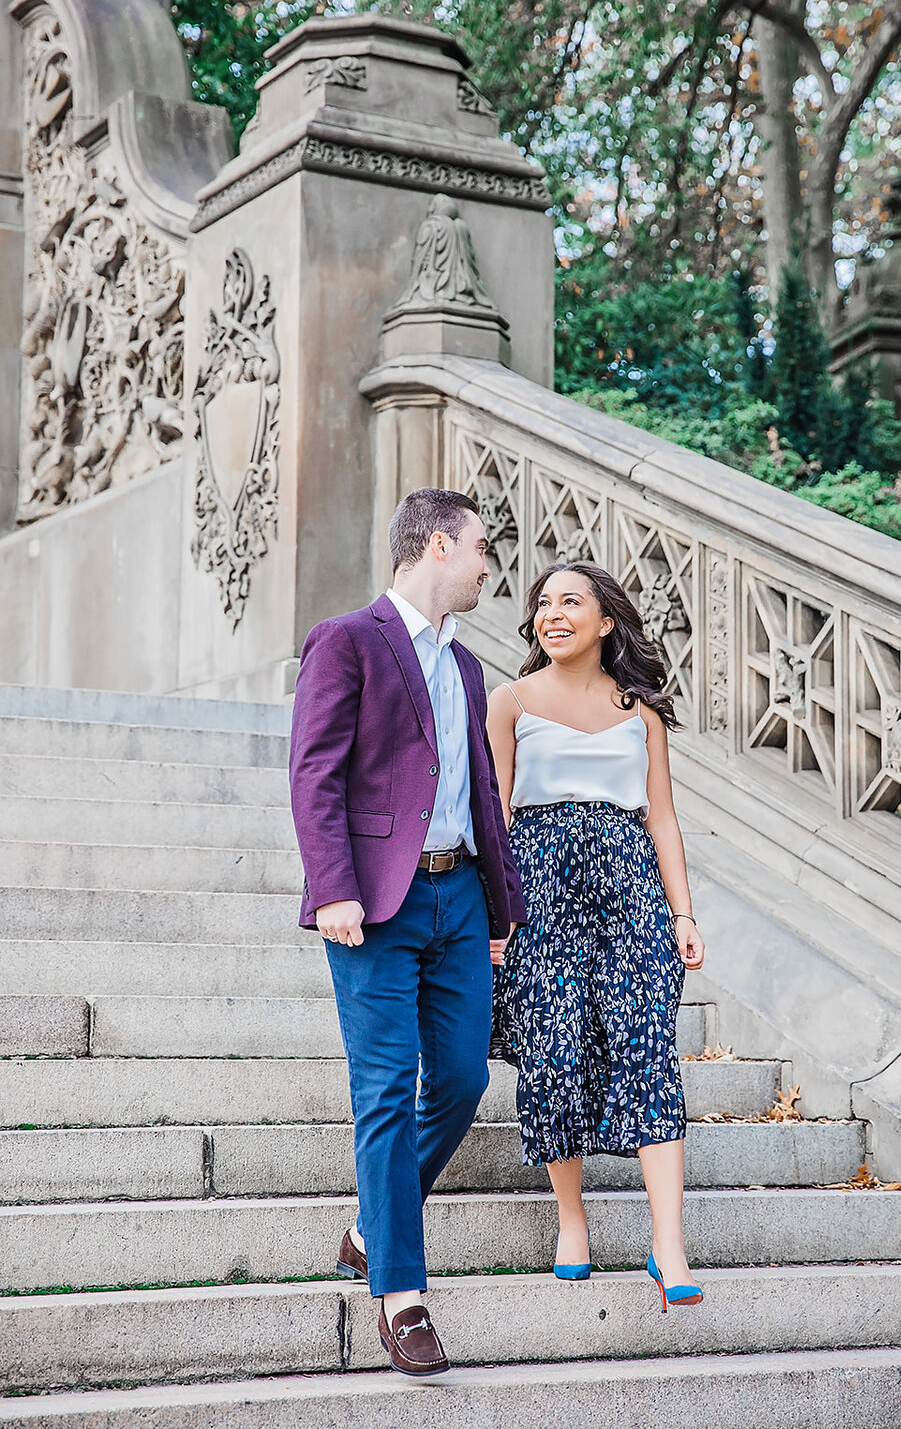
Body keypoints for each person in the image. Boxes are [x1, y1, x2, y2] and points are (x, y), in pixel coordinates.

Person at [288, 487, 526, 1377]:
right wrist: (333, 887)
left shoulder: (466, 668)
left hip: (459, 898)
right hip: (375, 906)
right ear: (434, 546)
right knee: (387, 1088)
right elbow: (315, 774)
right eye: (479, 549)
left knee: (461, 1079)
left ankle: (367, 1229)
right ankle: (404, 1296)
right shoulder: (348, 640)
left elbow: (481, 798)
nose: (487, 566)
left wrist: (501, 909)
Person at [487, 561, 706, 1308]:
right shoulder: (510, 702)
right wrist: (497, 915)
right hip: (541, 892)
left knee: (647, 1046)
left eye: (570, 601)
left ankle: (668, 1245)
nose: (552, 613)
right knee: (555, 1050)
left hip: (632, 894)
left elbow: (663, 818)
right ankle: (572, 1221)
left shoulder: (638, 710)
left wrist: (683, 913)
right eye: (543, 603)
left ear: (607, 621)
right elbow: (498, 819)